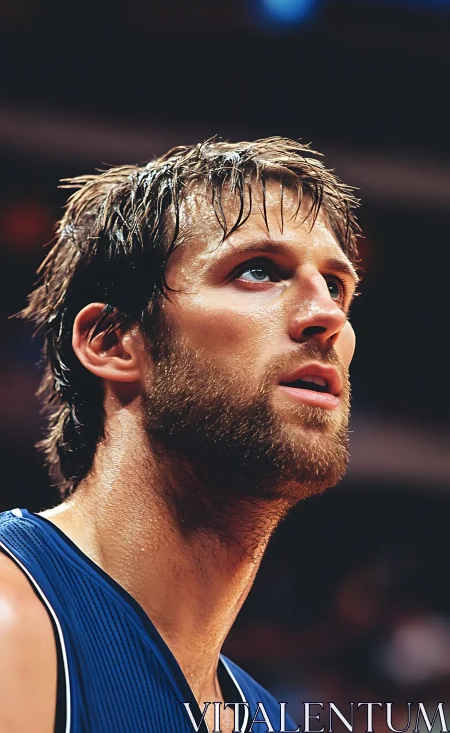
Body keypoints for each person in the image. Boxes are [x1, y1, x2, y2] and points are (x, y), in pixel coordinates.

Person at [0, 137, 360, 733]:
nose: (329, 316)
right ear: (115, 342)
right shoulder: (15, 621)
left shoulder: (273, 721)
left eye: (337, 287)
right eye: (258, 271)